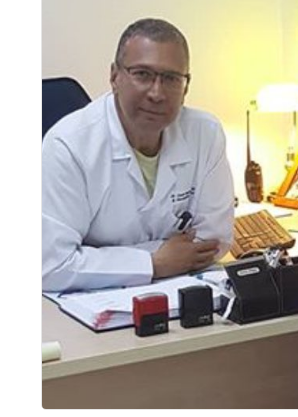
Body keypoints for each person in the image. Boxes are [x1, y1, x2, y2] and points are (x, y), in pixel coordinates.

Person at [42, 18, 234, 292]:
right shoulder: (68, 144)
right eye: (142, 74)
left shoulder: (206, 133)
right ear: (114, 77)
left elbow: (214, 242)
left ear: (186, 86)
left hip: (182, 290)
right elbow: (52, 266)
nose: (157, 93)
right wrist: (155, 263)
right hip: (91, 303)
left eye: (171, 78)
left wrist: (99, 259)